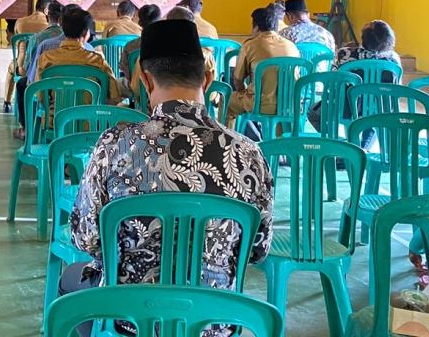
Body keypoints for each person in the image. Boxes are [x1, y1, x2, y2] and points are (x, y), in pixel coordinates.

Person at [62, 20, 274, 335]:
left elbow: (86, 238)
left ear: (146, 80)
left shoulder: (114, 145)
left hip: (130, 320)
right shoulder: (249, 154)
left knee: (70, 280)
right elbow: (258, 249)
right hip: (213, 321)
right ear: (208, 78)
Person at [227, 5, 299, 138]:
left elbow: (237, 78)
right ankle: (278, 146)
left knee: (226, 102)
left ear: (255, 26)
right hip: (289, 105)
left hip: (259, 104)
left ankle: (228, 142)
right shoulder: (291, 46)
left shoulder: (250, 45)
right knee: (277, 109)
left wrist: (242, 92)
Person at [35, 6, 120, 103]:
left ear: (63, 29)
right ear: (86, 33)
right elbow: (114, 97)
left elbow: (40, 96)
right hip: (88, 117)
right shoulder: (97, 60)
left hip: (55, 117)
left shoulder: (46, 58)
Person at [3, 0, 53, 114]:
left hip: (23, 68)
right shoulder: (49, 26)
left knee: (11, 68)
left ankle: (7, 102)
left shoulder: (20, 22)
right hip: (43, 69)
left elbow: (15, 41)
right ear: (46, 10)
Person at [119, 4, 162, 88]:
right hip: (164, 91)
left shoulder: (130, 46)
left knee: (113, 86)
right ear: (160, 21)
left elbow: (126, 71)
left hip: (137, 89)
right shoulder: (170, 45)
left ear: (140, 23)